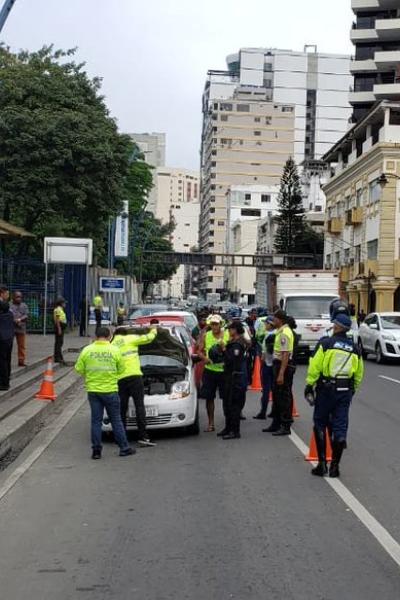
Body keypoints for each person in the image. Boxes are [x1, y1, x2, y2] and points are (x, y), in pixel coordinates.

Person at [304, 313, 364, 478]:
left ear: (337, 327)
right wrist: (352, 391)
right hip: (345, 392)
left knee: (320, 423)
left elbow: (315, 366)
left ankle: (322, 464)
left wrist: (310, 384)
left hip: (326, 390)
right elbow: (358, 374)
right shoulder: (355, 348)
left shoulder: (326, 343)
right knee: (340, 426)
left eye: (333, 324)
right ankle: (335, 467)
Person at [75, 327, 135, 459]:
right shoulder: (114, 350)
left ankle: (96, 451)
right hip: (110, 390)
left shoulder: (87, 350)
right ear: (109, 336)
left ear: (96, 336)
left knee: (96, 421)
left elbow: (79, 368)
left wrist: (91, 375)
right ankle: (124, 448)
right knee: (116, 420)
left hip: (93, 391)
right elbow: (121, 369)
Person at [112, 325, 158, 447]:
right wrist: (154, 329)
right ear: (125, 333)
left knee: (122, 408)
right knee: (139, 406)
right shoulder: (130, 338)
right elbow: (149, 338)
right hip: (134, 376)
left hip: (120, 379)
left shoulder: (111, 345)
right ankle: (143, 436)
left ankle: (121, 437)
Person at [263, 309, 295, 436]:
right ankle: (276, 423)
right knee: (276, 396)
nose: (273, 321)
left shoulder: (284, 333)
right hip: (279, 364)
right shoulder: (281, 331)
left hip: (283, 365)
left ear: (279, 320)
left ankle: (285, 425)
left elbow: (285, 354)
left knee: (283, 397)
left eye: (275, 319)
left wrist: (281, 373)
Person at [198, 314, 229, 433]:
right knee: (209, 398)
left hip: (224, 372)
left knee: (226, 398)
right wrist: (204, 358)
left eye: (217, 324)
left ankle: (228, 423)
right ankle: (211, 423)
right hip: (210, 371)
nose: (215, 326)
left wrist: (224, 348)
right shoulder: (206, 335)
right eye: (213, 324)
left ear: (221, 324)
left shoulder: (227, 335)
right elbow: (200, 351)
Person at [221, 321, 248, 440]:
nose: (228, 331)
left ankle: (234, 431)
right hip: (228, 376)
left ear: (235, 330)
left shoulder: (237, 344)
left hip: (235, 377)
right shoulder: (233, 342)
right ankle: (227, 428)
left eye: (230, 329)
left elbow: (232, 360)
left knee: (234, 405)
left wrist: (223, 349)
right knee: (226, 404)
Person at [254, 316, 275, 420]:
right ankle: (273, 411)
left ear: (270, 324)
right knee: (275, 389)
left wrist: (262, 360)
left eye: (266, 324)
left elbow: (264, 352)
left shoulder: (268, 336)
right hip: (275, 365)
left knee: (266, 389)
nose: (264, 325)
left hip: (268, 364)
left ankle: (263, 412)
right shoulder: (277, 334)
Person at [10, 291, 29, 367]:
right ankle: (7, 360)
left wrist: (20, 320)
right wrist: (15, 320)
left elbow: (26, 315)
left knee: (21, 345)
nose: (19, 298)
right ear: (13, 297)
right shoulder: (10, 305)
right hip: (11, 328)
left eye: (20, 297)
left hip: (21, 328)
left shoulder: (24, 305)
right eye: (17, 297)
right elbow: (8, 315)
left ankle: (21, 361)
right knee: (8, 345)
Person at [0, 294, 14, 390]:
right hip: (9, 340)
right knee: (8, 360)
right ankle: (7, 379)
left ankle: (4, 383)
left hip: (2, 341)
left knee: (2, 362)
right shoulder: (10, 314)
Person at [53, 297, 67, 365]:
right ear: (61, 303)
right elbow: (57, 320)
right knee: (58, 342)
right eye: (64, 303)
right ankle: (57, 357)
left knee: (60, 342)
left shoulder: (60, 309)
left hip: (61, 327)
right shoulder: (58, 310)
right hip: (59, 327)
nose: (65, 304)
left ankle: (59, 356)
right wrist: (59, 328)